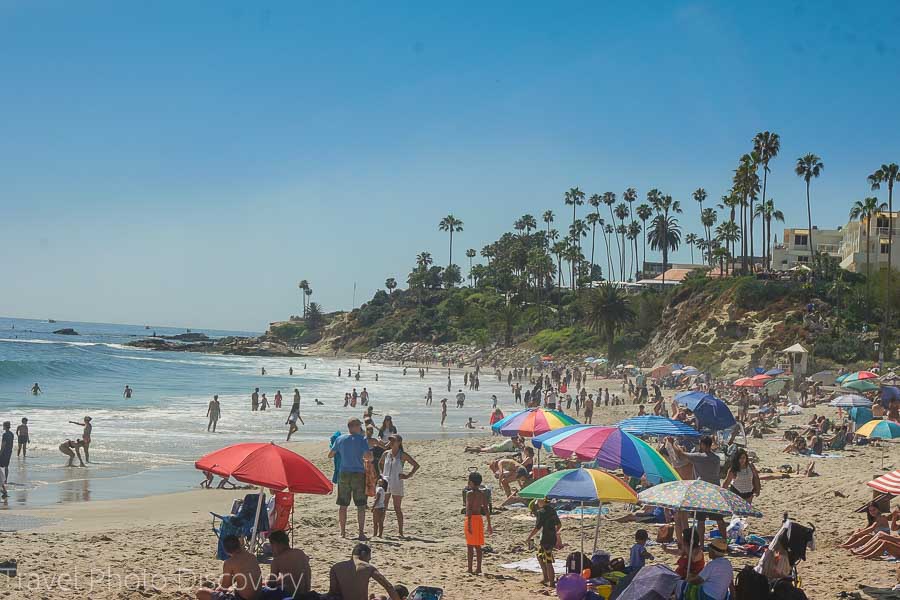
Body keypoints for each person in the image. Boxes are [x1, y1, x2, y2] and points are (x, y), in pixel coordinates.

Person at [668, 435, 726, 542]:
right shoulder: (716, 458)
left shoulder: (700, 457)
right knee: (719, 519)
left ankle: (701, 544)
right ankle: (725, 541)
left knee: (700, 520)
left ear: (703, 445)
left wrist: (673, 444)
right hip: (715, 490)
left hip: (702, 491)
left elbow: (680, 455)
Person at [328, 418, 373, 540]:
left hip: (344, 473)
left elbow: (330, 454)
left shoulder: (340, 439)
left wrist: (342, 453)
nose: (360, 428)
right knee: (361, 505)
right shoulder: (362, 439)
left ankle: (342, 532)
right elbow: (368, 456)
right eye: (359, 426)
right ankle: (361, 533)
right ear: (353, 427)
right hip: (358, 473)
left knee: (343, 505)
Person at [195, 535, 262, 600]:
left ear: (226, 551)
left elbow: (225, 586)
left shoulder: (230, 562)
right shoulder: (252, 557)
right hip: (258, 596)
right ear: (239, 544)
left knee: (200, 592)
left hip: (242, 598)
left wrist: (217, 590)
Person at [379, 434, 420, 538]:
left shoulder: (402, 455)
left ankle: (400, 532)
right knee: (383, 507)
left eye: (394, 440)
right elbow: (380, 463)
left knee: (397, 508)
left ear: (399, 442)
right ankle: (380, 532)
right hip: (386, 482)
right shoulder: (386, 453)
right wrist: (381, 474)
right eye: (390, 440)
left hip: (397, 482)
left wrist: (407, 476)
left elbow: (416, 465)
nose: (391, 442)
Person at [329, 543, 401, 600]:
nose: (368, 561)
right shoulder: (367, 567)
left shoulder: (336, 567)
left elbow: (333, 593)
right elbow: (388, 586)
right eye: (368, 559)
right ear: (363, 554)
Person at [527, 498, 561, 587]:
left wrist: (529, 537)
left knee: (548, 561)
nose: (537, 504)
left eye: (537, 502)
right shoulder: (552, 510)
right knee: (539, 556)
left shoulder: (541, 512)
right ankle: (546, 578)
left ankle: (552, 582)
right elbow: (559, 524)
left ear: (541, 501)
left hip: (546, 540)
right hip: (550, 538)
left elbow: (537, 527)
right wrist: (554, 532)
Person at [266, 530, 311, 598]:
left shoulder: (277, 560)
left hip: (292, 596)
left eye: (272, 546)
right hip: (307, 593)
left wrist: (267, 583)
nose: (272, 550)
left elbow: (272, 584)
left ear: (276, 544)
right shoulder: (300, 553)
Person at [465, 471, 492, 574]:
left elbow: (469, 509)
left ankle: (470, 568)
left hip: (471, 519)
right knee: (478, 546)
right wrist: (489, 524)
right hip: (479, 519)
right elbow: (486, 509)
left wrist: (469, 524)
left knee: (470, 546)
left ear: (471, 482)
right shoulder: (482, 493)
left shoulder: (469, 494)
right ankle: (479, 568)